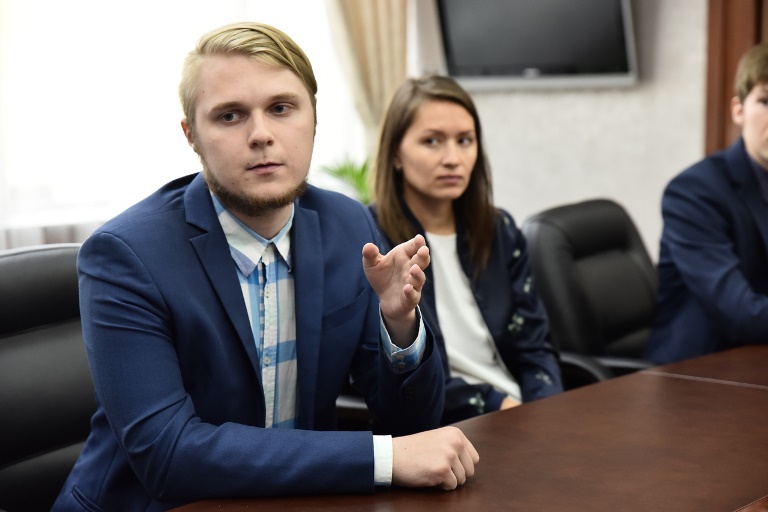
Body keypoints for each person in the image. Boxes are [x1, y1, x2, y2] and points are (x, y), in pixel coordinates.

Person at [52, 22, 479, 511]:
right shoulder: (125, 255)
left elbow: (413, 428)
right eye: (230, 115)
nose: (261, 135)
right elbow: (168, 456)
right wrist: (383, 458)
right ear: (192, 136)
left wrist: (399, 328)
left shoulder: (348, 226)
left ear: (313, 117)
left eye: (281, 108)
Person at [369, 75, 563, 425]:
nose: (453, 158)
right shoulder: (372, 241)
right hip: (445, 425)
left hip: (525, 415)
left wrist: (547, 413)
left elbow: (535, 347)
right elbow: (388, 375)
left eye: (464, 141)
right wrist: (504, 408)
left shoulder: (498, 229)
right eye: (432, 141)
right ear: (395, 154)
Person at [645, 42, 768, 364]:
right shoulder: (694, 192)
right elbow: (742, 314)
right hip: (698, 371)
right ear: (738, 111)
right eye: (766, 102)